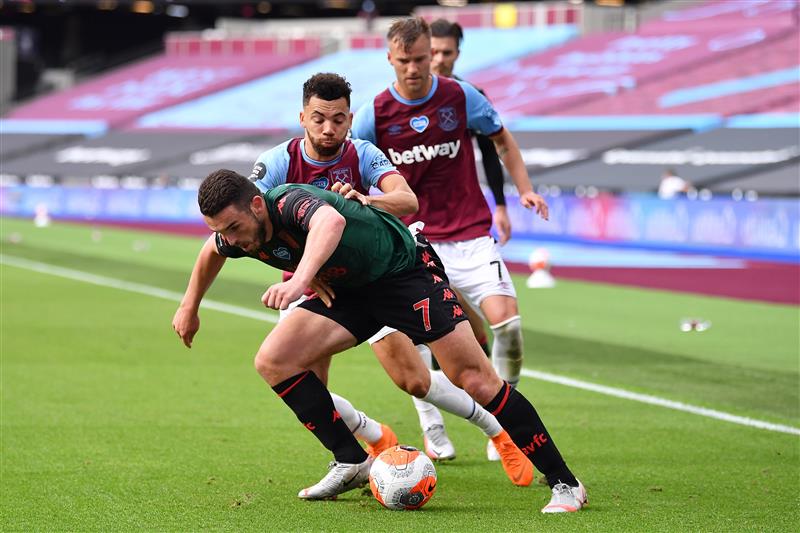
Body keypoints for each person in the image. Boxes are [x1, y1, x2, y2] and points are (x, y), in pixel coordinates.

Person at [173, 170, 587, 512]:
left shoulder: (288, 201)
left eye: (234, 227)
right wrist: (189, 306)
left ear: (257, 205)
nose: (232, 238)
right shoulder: (235, 234)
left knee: (474, 379)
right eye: (221, 229)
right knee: (274, 360)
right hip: (350, 293)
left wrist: (300, 279)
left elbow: (330, 222)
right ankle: (351, 460)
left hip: (405, 274)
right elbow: (212, 251)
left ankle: (565, 483)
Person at [248, 72, 533, 489]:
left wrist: (368, 199)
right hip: (309, 285)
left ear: (350, 119)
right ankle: (372, 437)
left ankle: (497, 431)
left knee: (413, 379)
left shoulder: (362, 154)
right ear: (303, 117)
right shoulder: (276, 163)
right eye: (318, 119)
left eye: (338, 119)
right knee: (304, 386)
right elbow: (252, 227)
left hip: (370, 279)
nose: (328, 129)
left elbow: (407, 201)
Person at [350, 16, 548, 467]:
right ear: (390, 59)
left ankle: (505, 418)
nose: (416, 68)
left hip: (471, 234)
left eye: (422, 59)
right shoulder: (373, 114)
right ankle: (431, 425)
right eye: (406, 61)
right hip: (415, 241)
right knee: (418, 337)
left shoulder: (460, 96)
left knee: (507, 327)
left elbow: (502, 141)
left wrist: (523, 190)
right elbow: (355, 169)